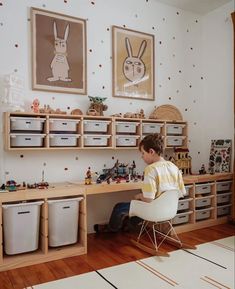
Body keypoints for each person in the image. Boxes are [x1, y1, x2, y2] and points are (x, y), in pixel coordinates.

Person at [94, 133, 186, 233]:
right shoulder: (174, 167)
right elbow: (181, 192)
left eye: (143, 153)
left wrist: (139, 196)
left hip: (153, 211)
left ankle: (112, 229)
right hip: (170, 211)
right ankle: (128, 225)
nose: (142, 157)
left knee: (119, 207)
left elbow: (148, 199)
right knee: (138, 207)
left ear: (151, 151)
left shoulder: (151, 169)